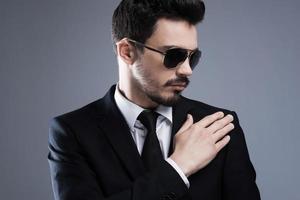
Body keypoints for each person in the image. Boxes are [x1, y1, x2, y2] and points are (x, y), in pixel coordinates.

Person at [48, 0, 261, 200]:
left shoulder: (219, 126)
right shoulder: (73, 131)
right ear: (127, 52)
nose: (187, 70)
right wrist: (178, 167)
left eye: (192, 57)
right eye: (174, 55)